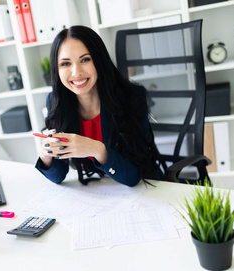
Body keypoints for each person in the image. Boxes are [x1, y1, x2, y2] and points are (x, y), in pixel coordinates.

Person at [35, 25, 163, 186]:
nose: (76, 72)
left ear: (99, 60)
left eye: (85, 59)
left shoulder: (131, 97)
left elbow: (134, 177)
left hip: (143, 189)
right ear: (57, 69)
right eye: (66, 64)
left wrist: (97, 149)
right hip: (99, 190)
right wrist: (46, 156)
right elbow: (58, 177)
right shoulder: (56, 101)